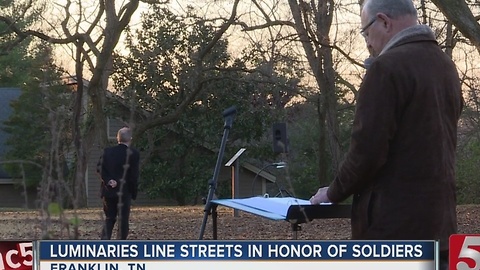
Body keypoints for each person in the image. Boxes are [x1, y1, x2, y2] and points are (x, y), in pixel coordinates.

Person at [309, 0, 463, 269]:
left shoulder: (386, 68)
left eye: (366, 32)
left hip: (393, 231)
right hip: (441, 226)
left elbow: (366, 153)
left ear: (384, 21)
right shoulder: (445, 66)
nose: (367, 43)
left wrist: (331, 193)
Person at [98, 127, 140, 240]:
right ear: (130, 139)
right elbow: (133, 175)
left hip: (109, 191)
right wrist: (133, 191)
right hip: (124, 192)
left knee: (109, 218)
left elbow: (100, 168)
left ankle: (104, 244)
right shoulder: (133, 154)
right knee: (123, 220)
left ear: (118, 138)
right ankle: (120, 246)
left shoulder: (107, 152)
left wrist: (108, 180)